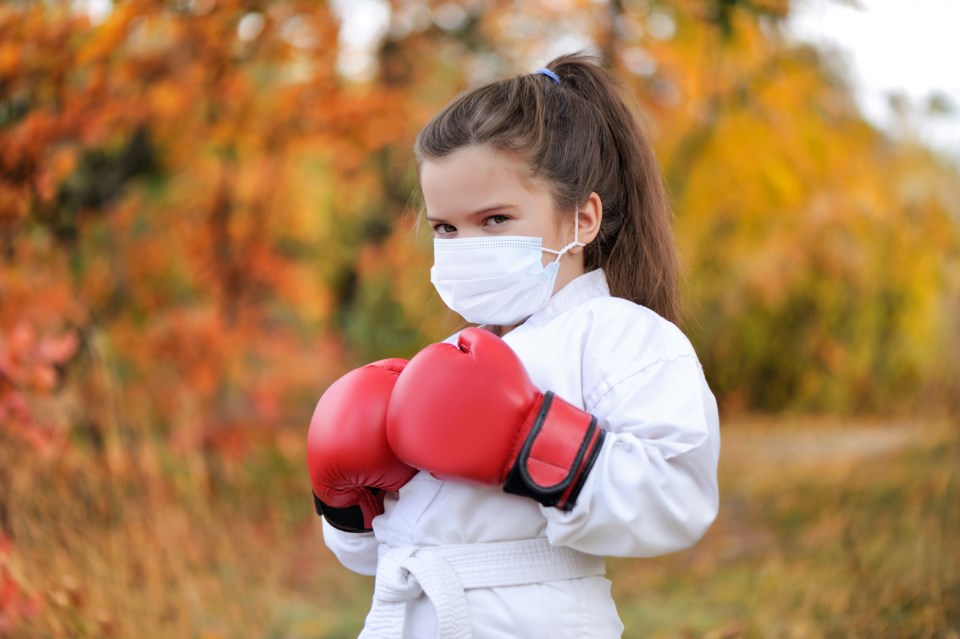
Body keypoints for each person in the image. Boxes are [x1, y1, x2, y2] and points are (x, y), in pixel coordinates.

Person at [306, 53, 721, 639]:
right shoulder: (448, 359)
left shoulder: (619, 335)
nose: (464, 244)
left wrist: (533, 444)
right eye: (446, 228)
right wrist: (346, 506)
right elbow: (382, 558)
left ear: (581, 220)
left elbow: (680, 498)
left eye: (495, 219)